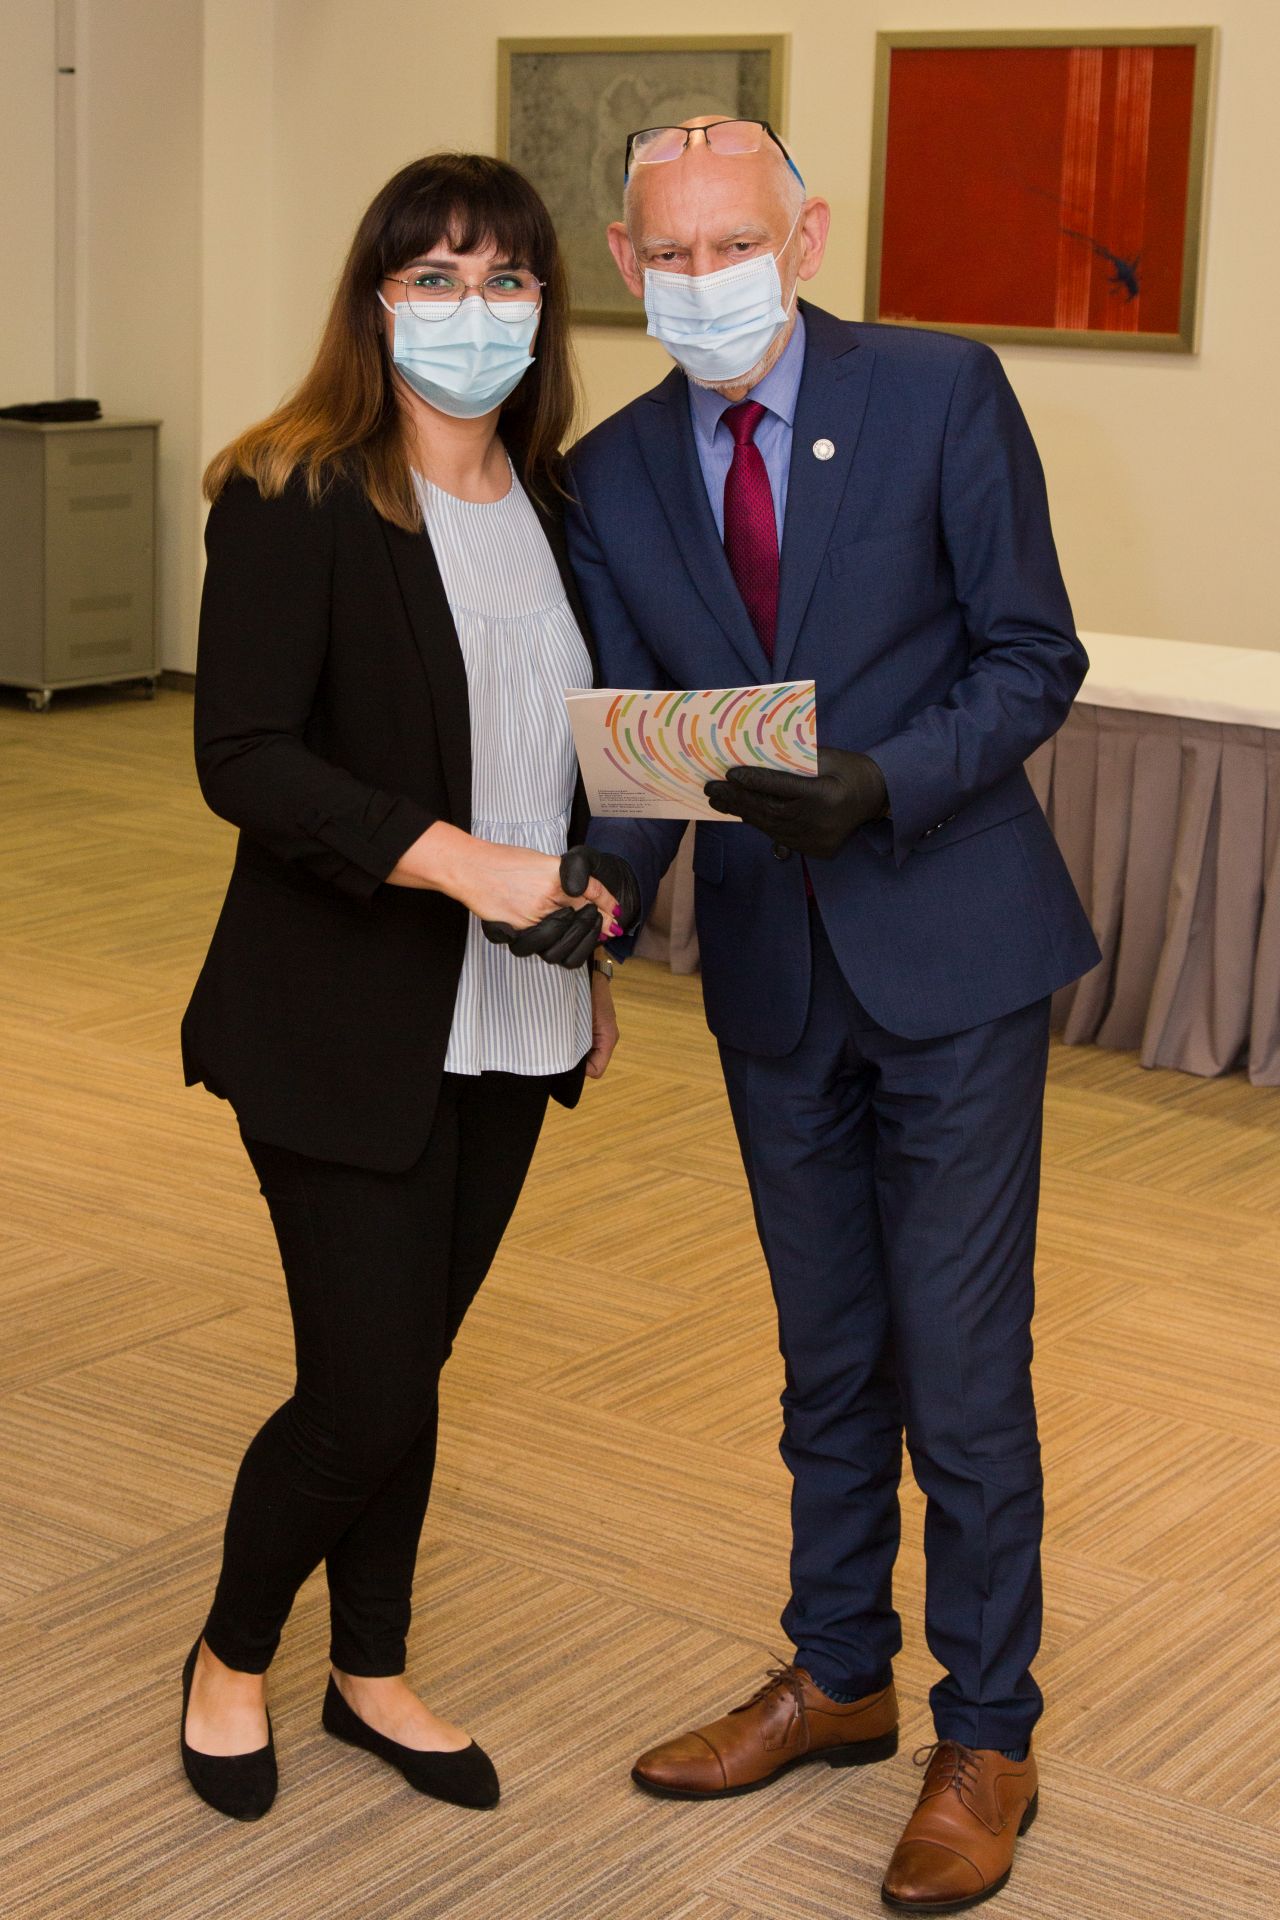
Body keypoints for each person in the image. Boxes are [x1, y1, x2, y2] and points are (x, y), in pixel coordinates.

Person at [558, 117, 1102, 1911]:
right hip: (775, 981)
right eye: (671, 252)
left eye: (738, 242)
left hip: (952, 951)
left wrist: (889, 780)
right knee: (828, 1355)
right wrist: (607, 890)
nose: (705, 276)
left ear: (806, 238)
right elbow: (643, 738)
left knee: (963, 1366)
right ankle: (840, 1672)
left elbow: (1033, 654)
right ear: (628, 265)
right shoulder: (613, 470)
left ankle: (990, 1731)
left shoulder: (941, 393)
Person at [178, 152, 622, 1822]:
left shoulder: (562, 507)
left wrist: (584, 898)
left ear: (543, 308)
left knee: (408, 1371)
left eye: (504, 279)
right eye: (432, 277)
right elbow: (243, 757)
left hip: (515, 1013)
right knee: (362, 1392)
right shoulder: (294, 490)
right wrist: (462, 862)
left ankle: (370, 1668)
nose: (470, 310)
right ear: (376, 303)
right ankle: (230, 1656)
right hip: (339, 1014)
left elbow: (570, 755)